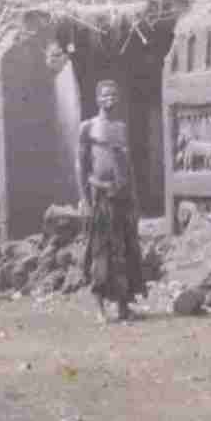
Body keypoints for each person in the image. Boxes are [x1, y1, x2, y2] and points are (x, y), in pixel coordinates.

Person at [76, 79, 147, 323]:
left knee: (125, 250)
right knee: (100, 251)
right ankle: (100, 310)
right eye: (106, 95)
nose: (110, 99)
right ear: (97, 99)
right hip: (100, 197)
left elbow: (128, 167)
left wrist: (135, 200)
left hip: (122, 197)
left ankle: (123, 307)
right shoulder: (88, 127)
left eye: (114, 95)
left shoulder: (121, 127)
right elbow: (81, 166)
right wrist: (85, 200)